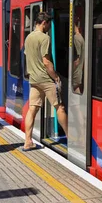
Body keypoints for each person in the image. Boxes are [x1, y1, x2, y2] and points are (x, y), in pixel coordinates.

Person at [23, 12, 67, 151]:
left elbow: (28, 57)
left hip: (34, 79)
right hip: (46, 79)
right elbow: (46, 61)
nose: (49, 27)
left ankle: (28, 141)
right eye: (48, 24)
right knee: (59, 107)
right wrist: (56, 77)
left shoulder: (28, 37)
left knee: (32, 109)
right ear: (44, 23)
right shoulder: (44, 38)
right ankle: (71, 139)